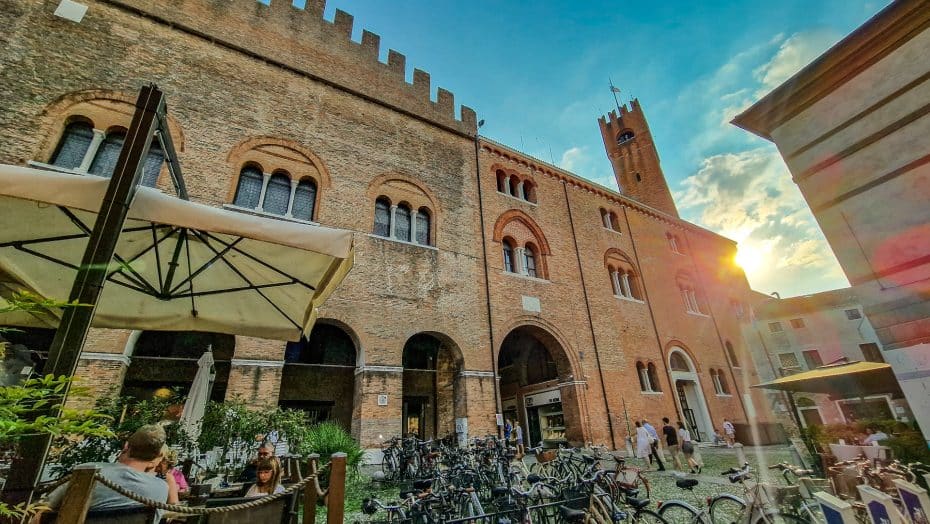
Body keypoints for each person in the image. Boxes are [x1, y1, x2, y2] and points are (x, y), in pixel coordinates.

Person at [47, 425, 171, 518]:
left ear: (126, 446)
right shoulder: (161, 488)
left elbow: (44, 508)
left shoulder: (88, 470)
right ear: (158, 457)